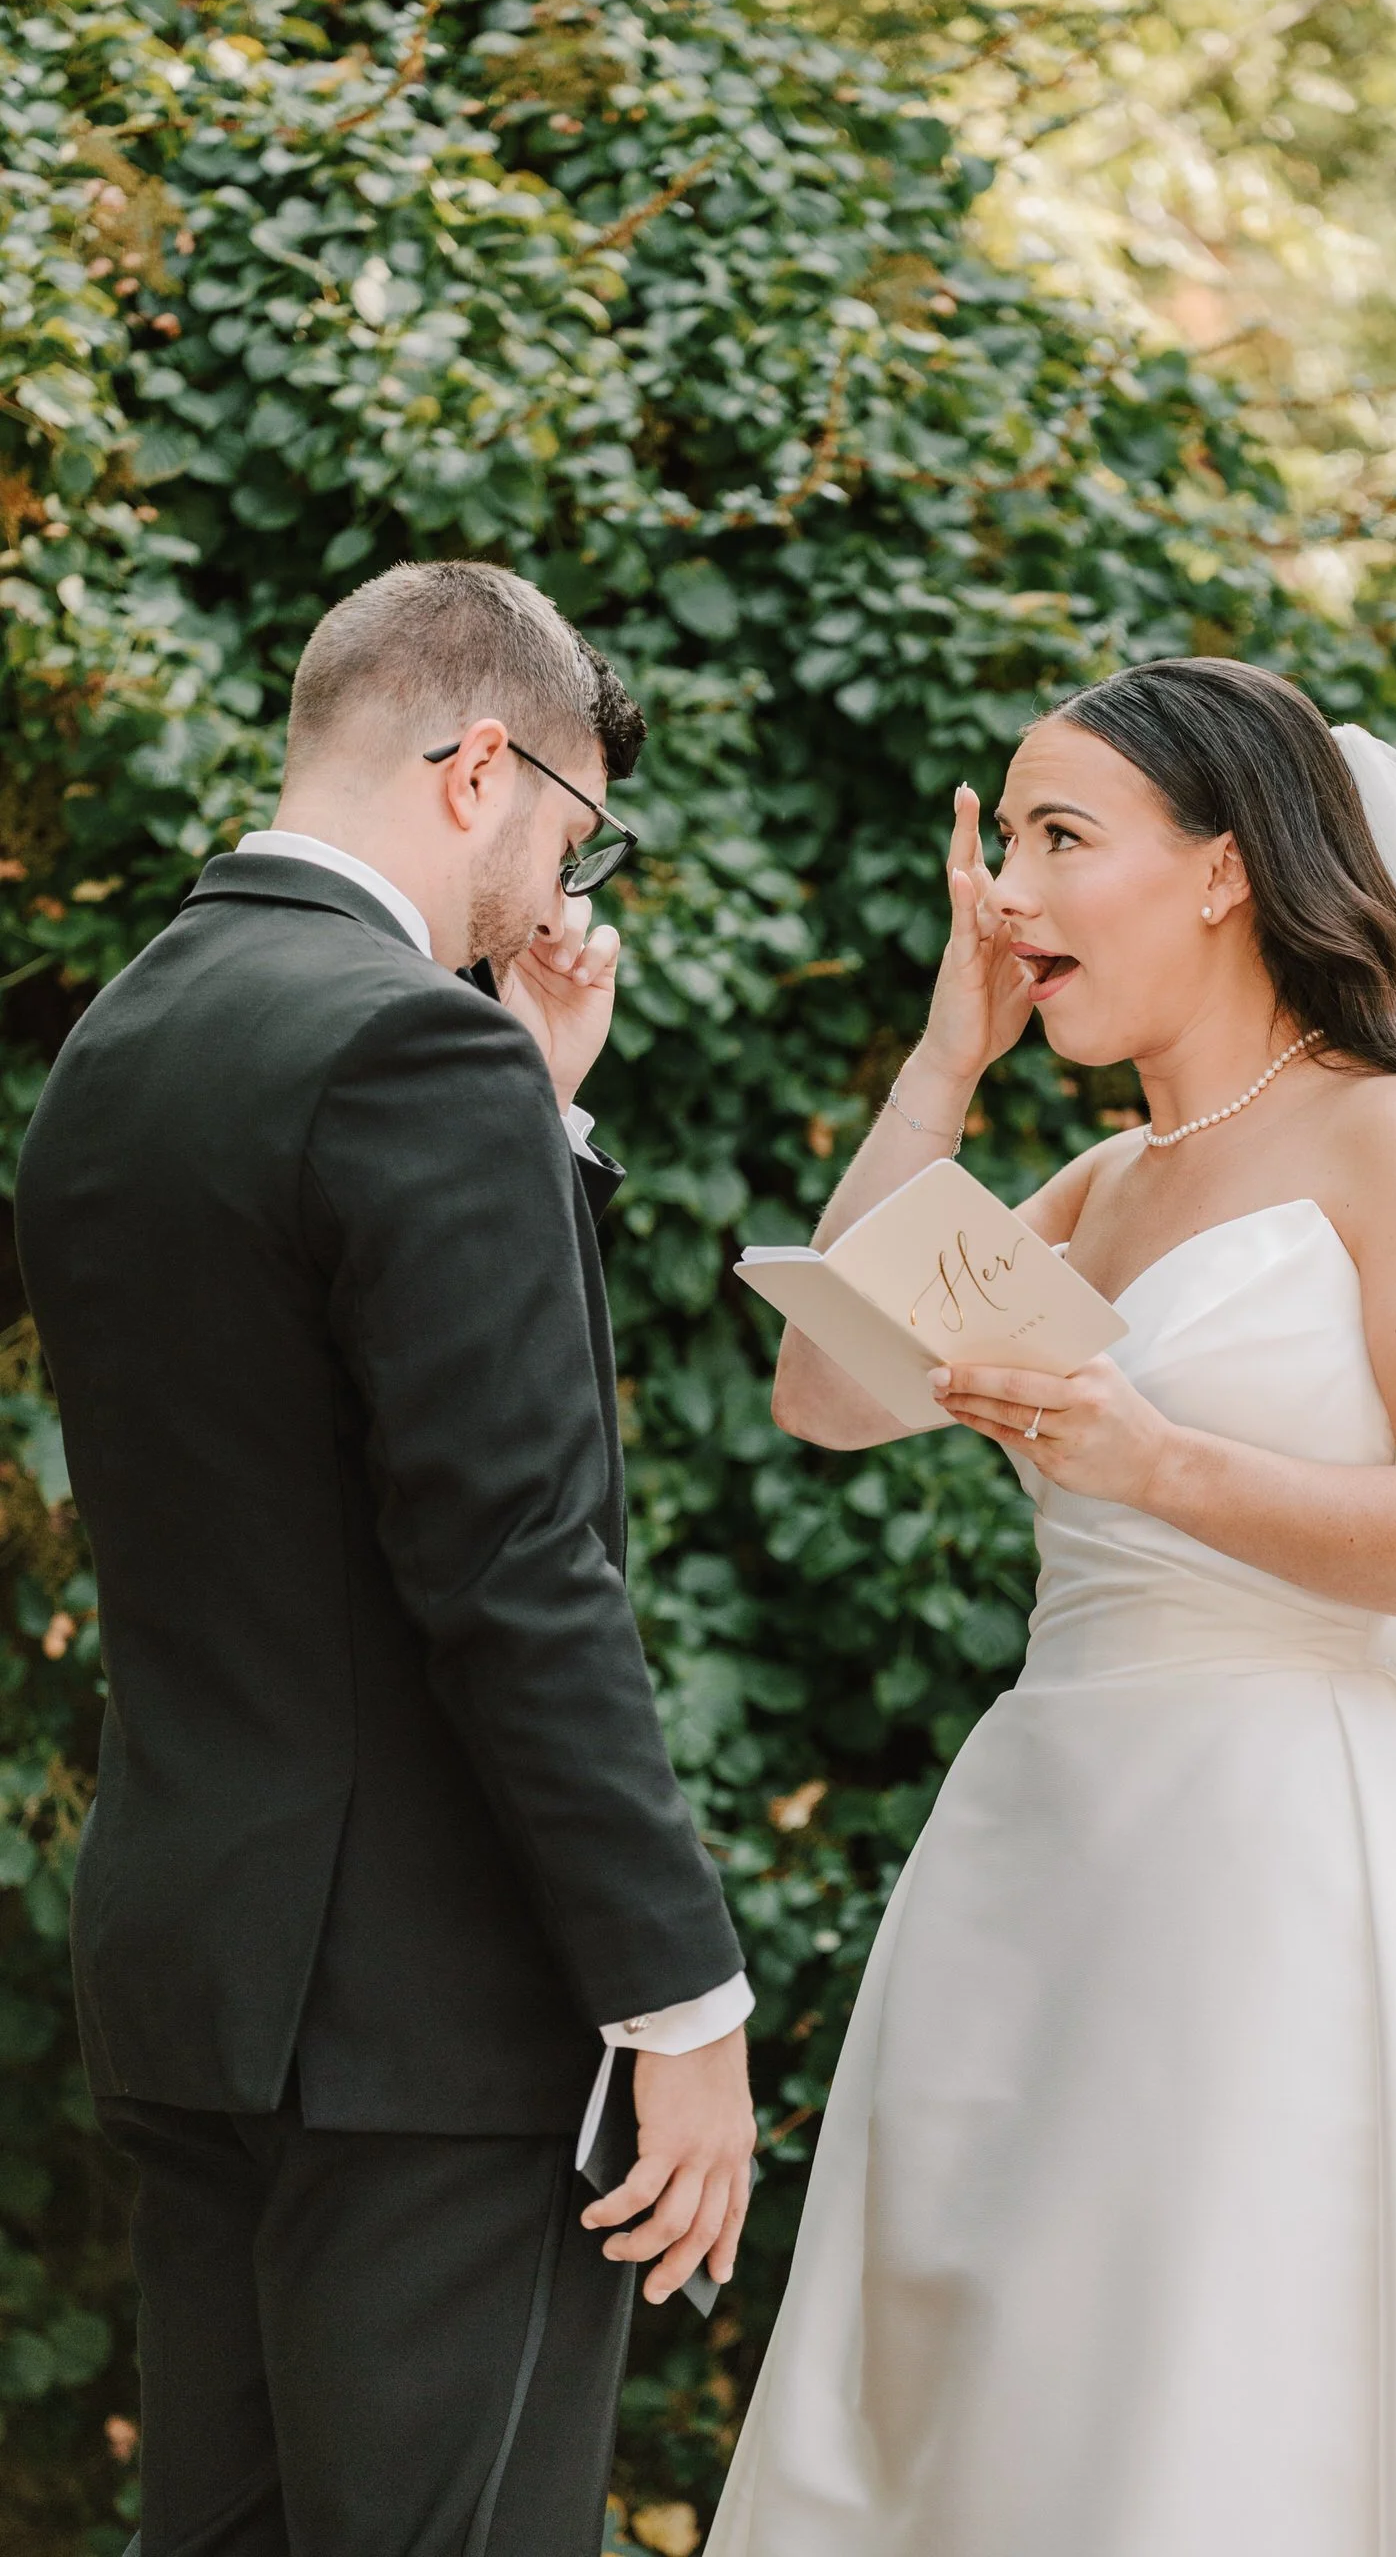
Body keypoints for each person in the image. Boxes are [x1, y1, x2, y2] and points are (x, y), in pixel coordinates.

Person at [707, 659, 1396, 2556]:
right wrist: (945, 1070)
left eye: (1061, 839)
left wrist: (1157, 1464)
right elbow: (829, 1392)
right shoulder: (1104, 1186)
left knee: (1240, 2383)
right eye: (1000, 842)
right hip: (1046, 1862)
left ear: (1222, 872)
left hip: (1306, 1855)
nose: (1003, 888)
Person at [14, 562, 757, 2557]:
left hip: (207, 1979)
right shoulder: (418, 1056)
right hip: (426, 2021)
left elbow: (296, 1468)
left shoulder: (129, 1040)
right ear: (484, 765)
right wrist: (681, 2001)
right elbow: (516, 1570)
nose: (553, 892)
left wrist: (540, 1120)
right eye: (575, 828)